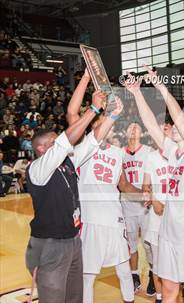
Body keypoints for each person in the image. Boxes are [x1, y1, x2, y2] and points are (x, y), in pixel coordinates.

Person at [125, 65, 184, 303]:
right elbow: (150, 125)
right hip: (168, 231)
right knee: (168, 289)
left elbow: (178, 117)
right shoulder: (172, 151)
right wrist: (137, 92)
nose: (175, 125)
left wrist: (160, 87)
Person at [24, 89, 110, 303]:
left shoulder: (66, 163)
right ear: (42, 149)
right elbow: (66, 141)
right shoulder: (37, 169)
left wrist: (113, 115)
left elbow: (92, 141)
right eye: (55, 142)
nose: (64, 144)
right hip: (50, 244)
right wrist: (93, 109)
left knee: (74, 297)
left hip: (72, 239)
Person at [66, 71, 138, 303]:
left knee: (124, 271)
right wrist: (86, 79)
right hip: (91, 219)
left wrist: (147, 194)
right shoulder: (83, 147)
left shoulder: (118, 153)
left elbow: (124, 185)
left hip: (114, 219)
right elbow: (72, 113)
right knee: (88, 275)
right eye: (100, 121)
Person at [121, 122, 155, 295]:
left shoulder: (148, 151)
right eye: (130, 126)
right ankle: (134, 275)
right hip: (127, 204)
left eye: (137, 127)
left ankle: (152, 274)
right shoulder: (120, 153)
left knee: (149, 243)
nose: (133, 128)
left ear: (142, 133)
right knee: (130, 244)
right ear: (125, 132)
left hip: (145, 206)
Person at [143, 114, 173, 303]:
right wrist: (152, 198)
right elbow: (146, 186)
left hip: (177, 217)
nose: (163, 133)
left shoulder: (181, 154)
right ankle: (160, 297)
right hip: (157, 216)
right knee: (157, 262)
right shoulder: (151, 157)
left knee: (177, 260)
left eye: (167, 129)